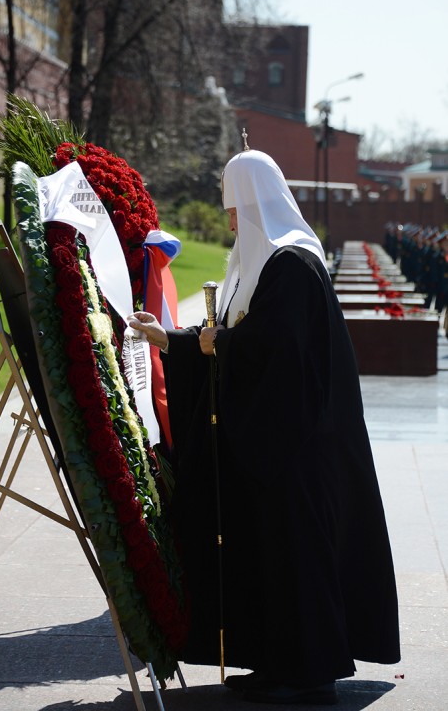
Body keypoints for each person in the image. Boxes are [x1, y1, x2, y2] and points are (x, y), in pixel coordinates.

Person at [128, 148, 400, 706]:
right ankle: (277, 663)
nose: (229, 221)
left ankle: (310, 672)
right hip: (272, 440)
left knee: (295, 556)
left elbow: (283, 350)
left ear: (252, 203)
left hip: (297, 447)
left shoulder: (292, 262)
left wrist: (217, 343)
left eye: (233, 209)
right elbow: (239, 335)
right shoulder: (265, 261)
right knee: (269, 557)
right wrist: (175, 341)